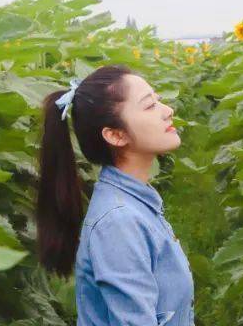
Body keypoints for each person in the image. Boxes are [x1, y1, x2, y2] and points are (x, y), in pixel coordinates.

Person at [36, 64, 194, 326]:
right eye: (149, 106)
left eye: (159, 100)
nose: (168, 111)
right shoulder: (119, 223)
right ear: (116, 135)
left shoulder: (134, 204)